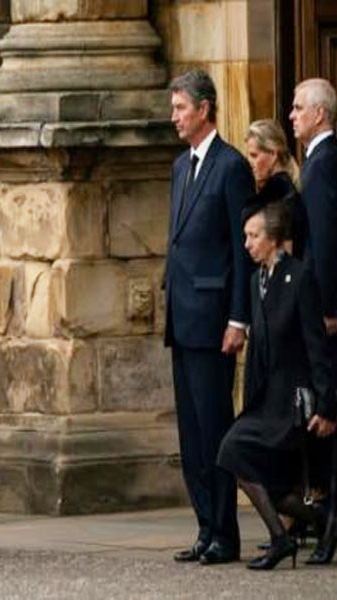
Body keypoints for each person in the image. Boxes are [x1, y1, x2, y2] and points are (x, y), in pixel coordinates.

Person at [217, 199, 337, 570]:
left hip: (294, 401)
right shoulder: (257, 281)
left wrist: (327, 406)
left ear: (273, 238)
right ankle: (318, 521)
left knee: (232, 450)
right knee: (254, 468)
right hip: (266, 400)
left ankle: (283, 538)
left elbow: (317, 347)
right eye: (245, 236)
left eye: (254, 236)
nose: (247, 243)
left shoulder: (299, 278)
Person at [165, 69, 253, 565]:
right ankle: (204, 526)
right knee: (191, 432)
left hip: (215, 317)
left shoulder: (231, 166)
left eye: (180, 108)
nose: (174, 116)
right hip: (182, 316)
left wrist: (238, 318)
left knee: (215, 425)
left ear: (204, 109)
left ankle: (225, 531)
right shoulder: (181, 167)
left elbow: (241, 251)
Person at [289, 77, 337, 564]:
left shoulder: (321, 166)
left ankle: (326, 524)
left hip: (322, 312)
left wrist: (325, 309)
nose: (292, 115)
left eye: (300, 108)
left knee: (326, 415)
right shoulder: (318, 161)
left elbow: (323, 241)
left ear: (320, 115)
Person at [244, 120, 306, 258]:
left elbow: (286, 252)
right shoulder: (278, 190)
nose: (250, 163)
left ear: (273, 155)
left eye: (254, 155)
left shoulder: (280, 195)